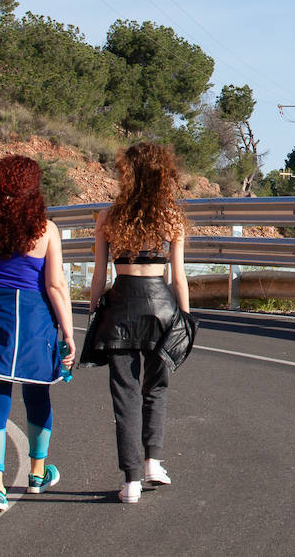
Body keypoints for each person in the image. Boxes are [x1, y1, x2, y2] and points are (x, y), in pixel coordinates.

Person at [0, 155, 76, 513]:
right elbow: (55, 285)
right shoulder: (46, 229)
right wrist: (69, 334)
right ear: (32, 189)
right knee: (38, 394)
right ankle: (37, 474)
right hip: (34, 320)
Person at [81, 142, 196, 504]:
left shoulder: (109, 217)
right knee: (157, 388)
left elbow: (99, 277)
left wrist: (93, 311)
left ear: (126, 173)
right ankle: (153, 462)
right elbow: (179, 277)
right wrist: (186, 318)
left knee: (124, 394)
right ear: (164, 173)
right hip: (162, 307)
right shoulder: (172, 217)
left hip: (121, 308)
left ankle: (130, 481)